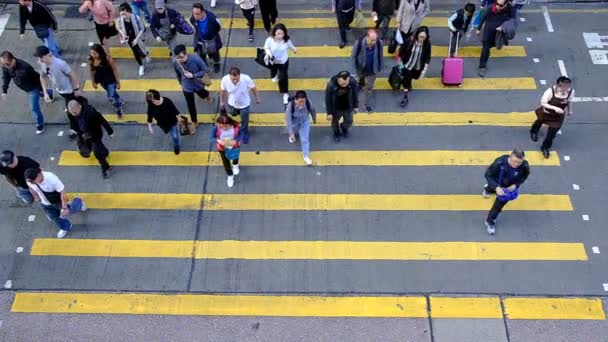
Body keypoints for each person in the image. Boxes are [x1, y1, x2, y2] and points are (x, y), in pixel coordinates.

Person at [1, 51, 53, 134]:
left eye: (7, 64)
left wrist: (43, 89)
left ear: (13, 60)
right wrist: (4, 90)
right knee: (42, 93)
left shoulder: (25, 67)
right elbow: (6, 77)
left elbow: (37, 78)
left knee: (34, 108)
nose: (5, 67)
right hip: (26, 87)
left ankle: (40, 125)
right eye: (4, 64)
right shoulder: (6, 66)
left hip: (32, 88)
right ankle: (49, 93)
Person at [25, 167, 86, 238]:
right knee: (54, 217)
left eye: (34, 181)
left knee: (71, 210)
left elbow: (62, 193)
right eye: (31, 182)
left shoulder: (51, 179)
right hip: (44, 203)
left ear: (39, 174)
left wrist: (64, 207)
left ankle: (78, 202)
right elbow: (31, 187)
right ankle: (65, 227)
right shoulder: (30, 181)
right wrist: (36, 196)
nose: (33, 183)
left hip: (57, 200)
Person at [35, 45, 81, 138]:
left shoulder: (60, 64)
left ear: (47, 55)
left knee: (70, 110)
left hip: (68, 90)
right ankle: (79, 105)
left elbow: (72, 75)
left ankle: (75, 128)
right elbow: (42, 77)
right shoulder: (42, 64)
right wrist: (45, 92)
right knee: (74, 103)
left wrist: (76, 89)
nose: (39, 59)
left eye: (41, 57)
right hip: (59, 90)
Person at [482, 149, 530, 235]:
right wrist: (496, 187)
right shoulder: (499, 162)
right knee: (490, 187)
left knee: (498, 206)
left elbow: (524, 176)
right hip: (497, 182)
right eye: (514, 161)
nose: (516, 164)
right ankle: (487, 189)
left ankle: (490, 221)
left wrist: (516, 185)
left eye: (519, 162)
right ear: (510, 157)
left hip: (507, 188)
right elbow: (488, 175)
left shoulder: (524, 165)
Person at [67, 99, 114, 179]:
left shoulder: (91, 112)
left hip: (95, 133)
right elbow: (72, 122)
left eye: (75, 113)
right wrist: (74, 129)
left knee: (97, 153)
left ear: (79, 107)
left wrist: (110, 131)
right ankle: (105, 152)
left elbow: (102, 120)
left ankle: (106, 168)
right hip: (82, 134)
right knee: (84, 150)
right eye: (71, 113)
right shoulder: (70, 113)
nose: (73, 114)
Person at [530, 76, 574, 159]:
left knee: (552, 134)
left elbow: (569, 101)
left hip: (558, 116)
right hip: (546, 112)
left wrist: (570, 110)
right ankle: (534, 131)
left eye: (567, 87)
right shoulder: (550, 91)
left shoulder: (571, 92)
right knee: (539, 121)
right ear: (557, 85)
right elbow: (543, 102)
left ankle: (545, 147)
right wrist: (555, 108)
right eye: (563, 87)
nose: (565, 89)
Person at [173, 44, 212, 130]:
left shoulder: (195, 59)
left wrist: (193, 75)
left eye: (181, 57)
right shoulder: (176, 62)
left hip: (197, 84)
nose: (179, 60)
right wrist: (181, 83)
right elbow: (178, 74)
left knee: (203, 94)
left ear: (186, 54)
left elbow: (206, 70)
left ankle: (207, 95)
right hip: (186, 87)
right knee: (190, 105)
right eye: (177, 57)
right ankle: (194, 121)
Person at [219, 67, 260, 144]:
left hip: (244, 105)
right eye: (232, 79)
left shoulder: (246, 79)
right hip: (231, 104)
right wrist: (221, 101)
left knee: (244, 120)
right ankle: (236, 128)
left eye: (236, 79)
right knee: (232, 115)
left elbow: (253, 88)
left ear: (239, 76)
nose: (234, 81)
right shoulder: (225, 80)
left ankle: (244, 133)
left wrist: (257, 98)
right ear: (229, 76)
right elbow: (222, 90)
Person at [475, 0, 514, 77]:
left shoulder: (509, 9)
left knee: (494, 45)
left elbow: (511, 20)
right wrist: (478, 29)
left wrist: (503, 27)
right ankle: (482, 66)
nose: (498, 6)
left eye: (500, 5)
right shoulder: (490, 8)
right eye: (497, 4)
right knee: (485, 49)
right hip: (488, 32)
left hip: (498, 34)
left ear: (506, 4)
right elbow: (483, 17)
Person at [397, 26, 431, 107]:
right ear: (417, 35)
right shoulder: (410, 40)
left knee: (413, 77)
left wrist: (424, 70)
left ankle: (408, 84)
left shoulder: (427, 44)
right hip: (407, 65)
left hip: (417, 67)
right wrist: (400, 63)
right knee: (406, 79)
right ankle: (405, 96)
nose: (422, 39)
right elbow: (401, 51)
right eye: (420, 37)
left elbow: (428, 57)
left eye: (424, 37)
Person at [88, 44, 125, 117]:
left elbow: (115, 70)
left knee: (111, 98)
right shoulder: (90, 59)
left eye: (95, 53)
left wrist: (118, 82)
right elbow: (91, 71)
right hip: (101, 80)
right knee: (111, 92)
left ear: (100, 52)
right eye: (91, 53)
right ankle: (119, 99)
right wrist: (93, 82)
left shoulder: (108, 59)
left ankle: (118, 109)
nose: (93, 55)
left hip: (111, 80)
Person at [264, 24, 296, 105]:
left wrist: (294, 49)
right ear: (274, 33)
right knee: (273, 71)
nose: (280, 35)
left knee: (283, 77)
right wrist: (269, 53)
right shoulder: (270, 40)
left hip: (283, 62)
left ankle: (285, 93)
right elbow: (266, 47)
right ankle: (274, 76)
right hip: (273, 61)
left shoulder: (286, 40)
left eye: (282, 33)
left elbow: (290, 46)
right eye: (278, 33)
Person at [352, 29, 383, 113]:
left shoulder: (379, 43)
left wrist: (379, 67)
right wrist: (355, 69)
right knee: (360, 79)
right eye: (372, 40)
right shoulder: (358, 43)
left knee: (369, 88)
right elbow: (353, 57)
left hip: (372, 71)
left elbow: (380, 55)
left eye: (375, 40)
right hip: (361, 68)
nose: (374, 42)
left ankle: (366, 105)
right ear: (367, 37)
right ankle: (360, 83)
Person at [117, 2, 151, 77]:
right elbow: (119, 28)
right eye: (121, 14)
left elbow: (142, 29)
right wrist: (123, 34)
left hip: (139, 37)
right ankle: (141, 65)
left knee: (143, 49)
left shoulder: (136, 18)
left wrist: (136, 39)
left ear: (129, 11)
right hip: (129, 39)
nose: (123, 16)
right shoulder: (120, 19)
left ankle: (146, 54)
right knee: (135, 52)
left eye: (124, 14)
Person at [325, 70, 359, 143]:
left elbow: (355, 94)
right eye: (342, 84)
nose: (344, 85)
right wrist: (329, 113)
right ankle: (336, 133)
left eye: (346, 83)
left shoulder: (352, 82)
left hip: (348, 107)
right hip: (336, 108)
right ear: (338, 79)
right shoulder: (331, 85)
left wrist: (356, 106)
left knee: (349, 121)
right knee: (334, 122)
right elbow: (328, 99)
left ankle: (344, 127)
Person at [190, 3, 223, 74]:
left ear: (203, 12)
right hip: (200, 40)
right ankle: (204, 66)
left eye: (197, 14)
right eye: (194, 13)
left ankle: (216, 63)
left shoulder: (212, 19)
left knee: (215, 53)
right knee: (201, 54)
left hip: (211, 40)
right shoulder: (193, 18)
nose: (195, 16)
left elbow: (219, 27)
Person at [286, 91, 317, 166]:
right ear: (295, 100)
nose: (302, 104)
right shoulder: (290, 106)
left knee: (304, 139)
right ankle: (292, 135)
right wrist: (291, 133)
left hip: (304, 122)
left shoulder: (308, 102)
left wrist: (314, 118)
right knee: (292, 131)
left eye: (304, 101)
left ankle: (306, 156)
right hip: (294, 121)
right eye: (300, 102)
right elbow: (288, 120)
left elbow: (312, 110)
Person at [146, 89, 181, 155]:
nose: (154, 102)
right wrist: (150, 128)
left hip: (172, 121)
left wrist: (179, 117)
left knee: (175, 136)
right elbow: (149, 117)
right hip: (163, 124)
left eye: (154, 100)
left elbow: (174, 110)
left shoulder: (167, 101)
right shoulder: (151, 105)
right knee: (169, 131)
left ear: (157, 96)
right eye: (152, 101)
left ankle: (176, 147)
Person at [211, 115, 241, 188]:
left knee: (235, 156)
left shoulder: (236, 127)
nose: (224, 128)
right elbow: (211, 138)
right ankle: (230, 176)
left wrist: (236, 140)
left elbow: (242, 135)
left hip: (234, 146)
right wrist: (218, 140)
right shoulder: (216, 128)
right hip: (222, 148)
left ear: (230, 123)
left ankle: (235, 165)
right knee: (226, 162)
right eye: (222, 126)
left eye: (226, 126)